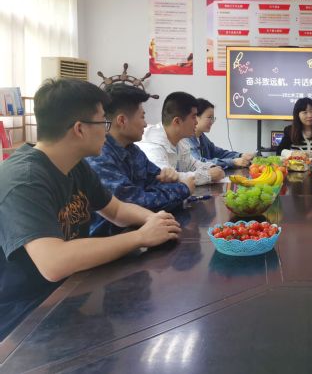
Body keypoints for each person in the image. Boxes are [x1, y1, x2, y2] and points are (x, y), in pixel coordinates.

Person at [0, 79, 182, 340]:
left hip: (67, 294)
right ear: (80, 129)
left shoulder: (76, 166)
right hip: (22, 317)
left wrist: (156, 220)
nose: (107, 132)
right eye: (103, 123)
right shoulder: (25, 179)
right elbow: (54, 262)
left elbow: (116, 211)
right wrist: (140, 237)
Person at [87, 84, 195, 237]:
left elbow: (157, 182)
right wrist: (183, 189)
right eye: (142, 117)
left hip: (141, 234)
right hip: (109, 242)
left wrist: (171, 184)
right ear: (122, 120)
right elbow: (135, 203)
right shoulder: (99, 157)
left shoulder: (133, 151)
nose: (145, 123)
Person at [136, 92, 225, 185]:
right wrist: (208, 175)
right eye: (194, 117)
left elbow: (191, 164)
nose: (196, 122)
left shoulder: (180, 140)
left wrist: (211, 167)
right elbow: (169, 179)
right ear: (177, 121)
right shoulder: (153, 146)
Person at [182, 98, 254, 169]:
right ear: (196, 117)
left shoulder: (201, 137)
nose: (212, 122)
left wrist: (240, 155)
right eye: (209, 117)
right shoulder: (186, 139)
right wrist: (233, 162)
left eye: (213, 118)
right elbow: (199, 162)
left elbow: (218, 153)